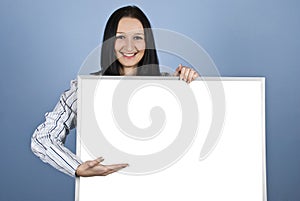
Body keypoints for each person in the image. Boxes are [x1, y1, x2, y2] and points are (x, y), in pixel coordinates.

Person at [31, 5, 199, 178]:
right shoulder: (86, 89)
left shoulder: (170, 84)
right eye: (121, 37)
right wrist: (76, 167)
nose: (129, 46)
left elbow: (194, 137)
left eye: (137, 37)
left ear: (147, 43)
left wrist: (190, 85)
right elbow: (42, 138)